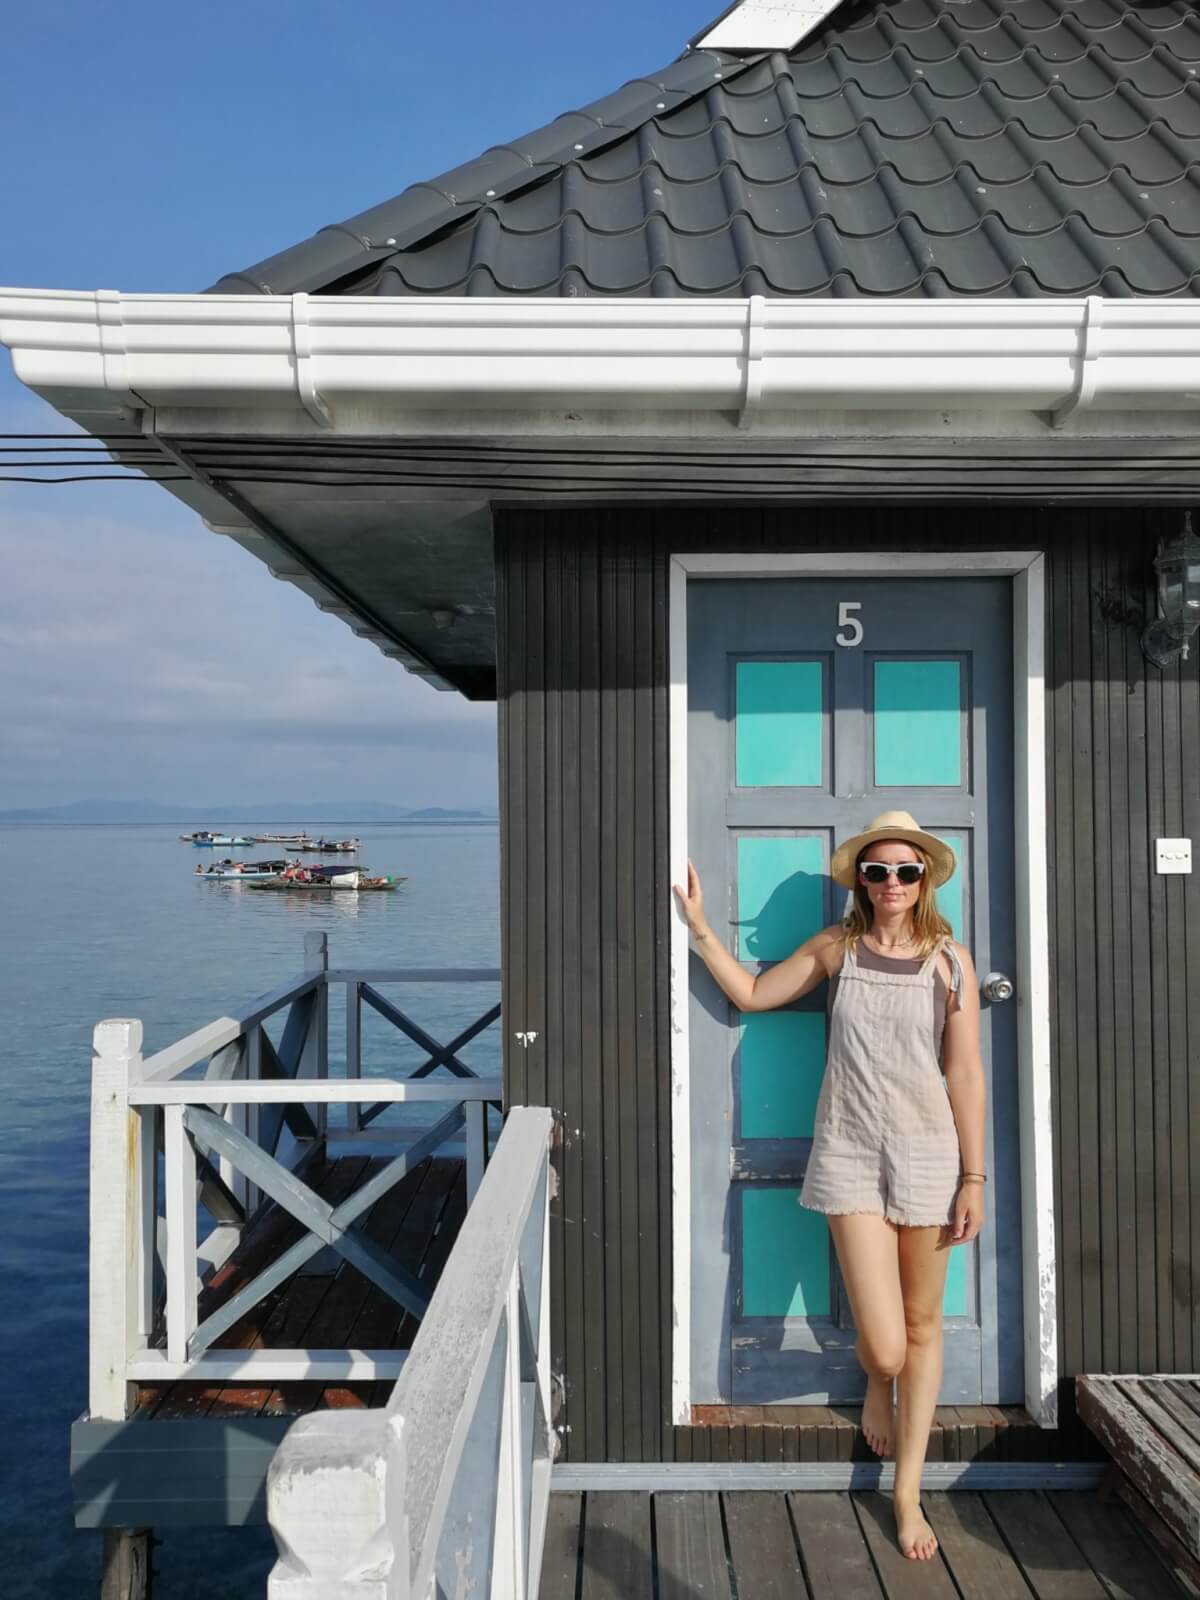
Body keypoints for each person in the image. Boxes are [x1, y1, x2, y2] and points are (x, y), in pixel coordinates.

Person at [673, 808, 987, 1563]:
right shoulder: (836, 949)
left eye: (904, 872)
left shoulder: (952, 962)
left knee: (922, 1328)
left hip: (930, 1155)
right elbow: (752, 994)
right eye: (876, 871)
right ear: (861, 880)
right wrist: (700, 926)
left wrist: (974, 1174)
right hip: (849, 1151)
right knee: (885, 1343)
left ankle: (907, 1491)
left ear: (924, 880)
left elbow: (964, 1071)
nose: (890, 884)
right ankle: (878, 1382)